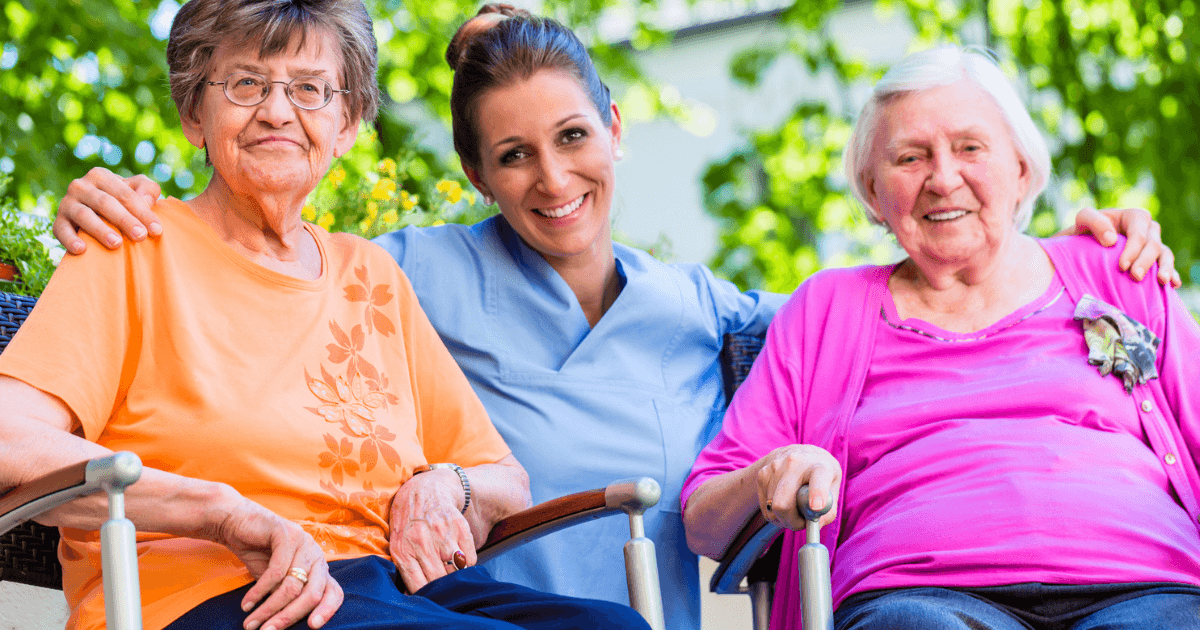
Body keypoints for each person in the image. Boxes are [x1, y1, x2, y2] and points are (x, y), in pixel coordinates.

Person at [51, 8, 1179, 630]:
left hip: (538, 609)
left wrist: (1086, 251)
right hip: (389, 597)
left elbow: (918, 308)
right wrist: (111, 198)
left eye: (574, 138)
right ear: (477, 179)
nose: (551, 179)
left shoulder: (717, 310)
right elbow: (250, 263)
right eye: (512, 156)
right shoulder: (407, 270)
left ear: (619, 129)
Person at [0, 2, 654, 630]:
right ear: (194, 114)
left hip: (390, 593)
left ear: (346, 127)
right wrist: (219, 512)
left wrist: (445, 486)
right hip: (225, 599)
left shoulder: (370, 276)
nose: (277, 111)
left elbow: (504, 481)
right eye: (246, 83)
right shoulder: (131, 247)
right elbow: (10, 440)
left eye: (310, 89)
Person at [682, 45, 1200, 630]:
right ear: (874, 195)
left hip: (1148, 586)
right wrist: (769, 473)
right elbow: (704, 520)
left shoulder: (1115, 271)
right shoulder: (825, 309)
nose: (943, 178)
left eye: (970, 148)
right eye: (910, 157)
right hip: (915, 596)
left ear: (1022, 168)